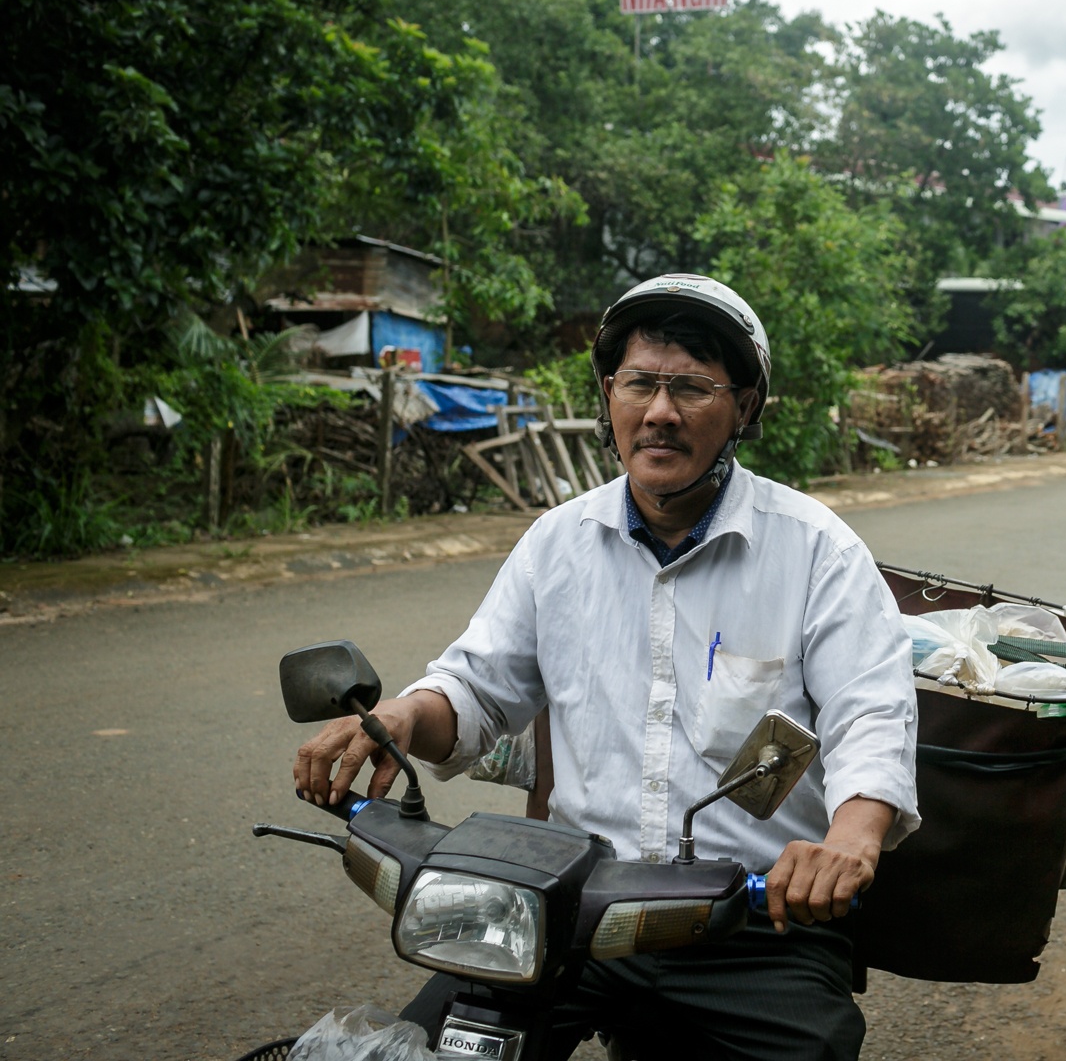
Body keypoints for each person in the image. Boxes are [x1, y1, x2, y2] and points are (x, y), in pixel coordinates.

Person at [292, 273, 919, 1060]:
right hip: (568, 907)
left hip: (752, 921)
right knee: (423, 1051)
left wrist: (852, 838)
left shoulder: (816, 549)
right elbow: (478, 685)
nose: (660, 412)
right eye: (639, 384)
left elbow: (871, 712)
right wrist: (400, 718)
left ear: (745, 407)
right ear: (608, 397)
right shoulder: (558, 543)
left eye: (691, 388)